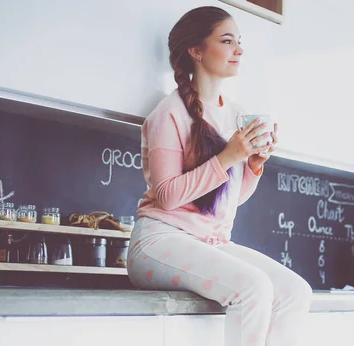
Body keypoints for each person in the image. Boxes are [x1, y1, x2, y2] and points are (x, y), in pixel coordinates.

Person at [127, 5, 313, 346]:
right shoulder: (169, 113)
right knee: (254, 287)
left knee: (296, 293)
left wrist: (254, 164)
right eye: (227, 41)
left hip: (211, 242)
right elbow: (167, 196)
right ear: (196, 50)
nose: (239, 50)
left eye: (239, 42)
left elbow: (227, 202)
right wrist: (230, 156)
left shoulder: (239, 114)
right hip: (158, 242)